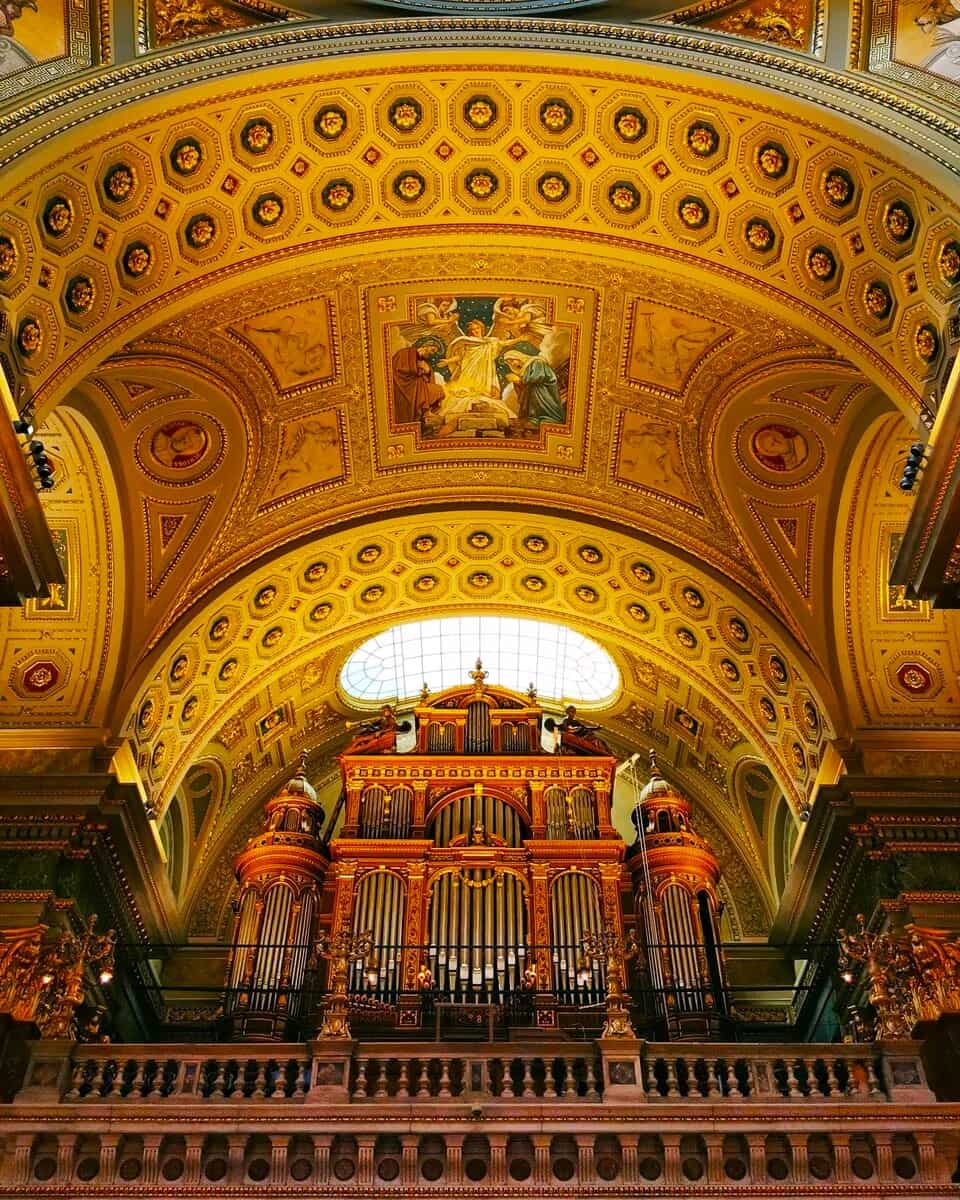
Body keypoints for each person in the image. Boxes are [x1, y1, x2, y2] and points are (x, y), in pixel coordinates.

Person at [501, 350, 564, 427]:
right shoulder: (525, 369)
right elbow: (525, 385)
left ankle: (549, 417)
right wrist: (517, 382)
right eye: (509, 363)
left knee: (546, 408)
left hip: (543, 391)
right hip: (534, 393)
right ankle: (535, 418)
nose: (512, 364)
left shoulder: (537, 362)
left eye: (511, 360)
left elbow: (538, 376)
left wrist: (519, 380)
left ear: (518, 357)